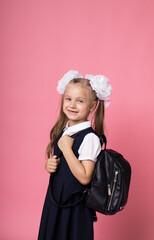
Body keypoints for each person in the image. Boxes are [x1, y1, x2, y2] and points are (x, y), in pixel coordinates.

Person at [38, 70, 112, 240]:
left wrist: (66, 149)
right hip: (56, 200)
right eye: (68, 99)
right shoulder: (64, 130)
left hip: (74, 206)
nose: (72, 105)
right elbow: (62, 166)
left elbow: (85, 177)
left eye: (80, 101)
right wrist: (49, 165)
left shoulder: (90, 138)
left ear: (92, 106)